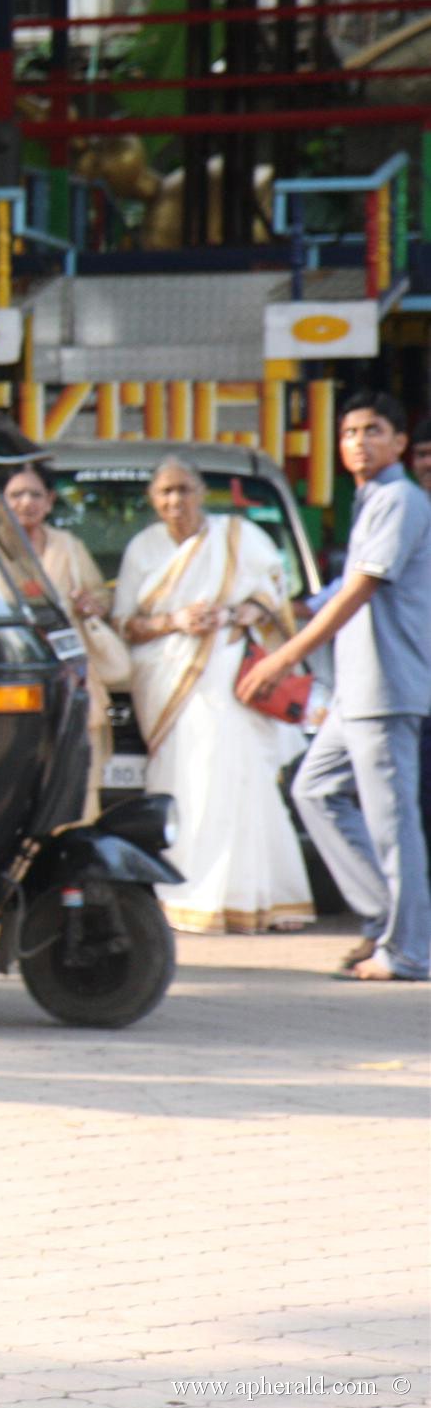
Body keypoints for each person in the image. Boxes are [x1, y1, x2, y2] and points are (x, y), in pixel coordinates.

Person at [239, 395, 429, 980]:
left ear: (398, 443)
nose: (358, 442)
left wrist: (283, 659)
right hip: (357, 687)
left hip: (387, 684)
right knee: (315, 790)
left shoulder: (400, 500)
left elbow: (358, 591)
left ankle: (409, 950)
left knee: (392, 822)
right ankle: (383, 922)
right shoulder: (374, 500)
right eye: (349, 432)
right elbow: (330, 594)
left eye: (373, 431)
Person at [114, 457, 311, 934]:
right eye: (165, 493)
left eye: (183, 489)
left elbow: (275, 600)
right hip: (167, 685)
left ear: (201, 492)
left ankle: (258, 898)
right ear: (153, 501)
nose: (175, 501)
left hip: (228, 677)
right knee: (187, 783)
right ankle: (186, 893)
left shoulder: (238, 537)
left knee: (239, 781)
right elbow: (125, 624)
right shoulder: (143, 548)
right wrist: (175, 622)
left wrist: (241, 612)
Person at [4, 461, 118, 818]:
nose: (26, 503)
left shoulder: (68, 546)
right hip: (10, 682)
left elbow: (102, 596)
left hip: (70, 678)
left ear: (50, 501)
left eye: (35, 494)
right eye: (16, 495)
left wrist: (91, 604)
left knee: (76, 780)